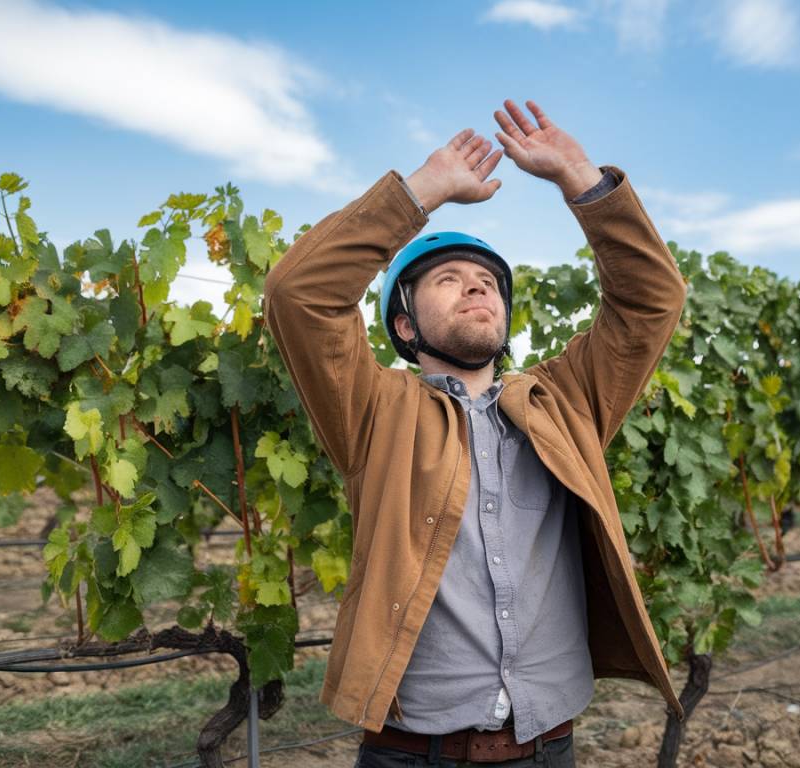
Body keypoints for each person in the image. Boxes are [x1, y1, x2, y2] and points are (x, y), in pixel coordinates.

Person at [263, 99, 687, 767]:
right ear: (405, 326)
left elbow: (651, 299)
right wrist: (425, 189)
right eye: (449, 280)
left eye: (488, 282)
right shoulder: (375, 410)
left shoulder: (567, 402)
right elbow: (299, 295)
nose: (477, 289)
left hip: (548, 747)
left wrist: (579, 176)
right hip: (412, 753)